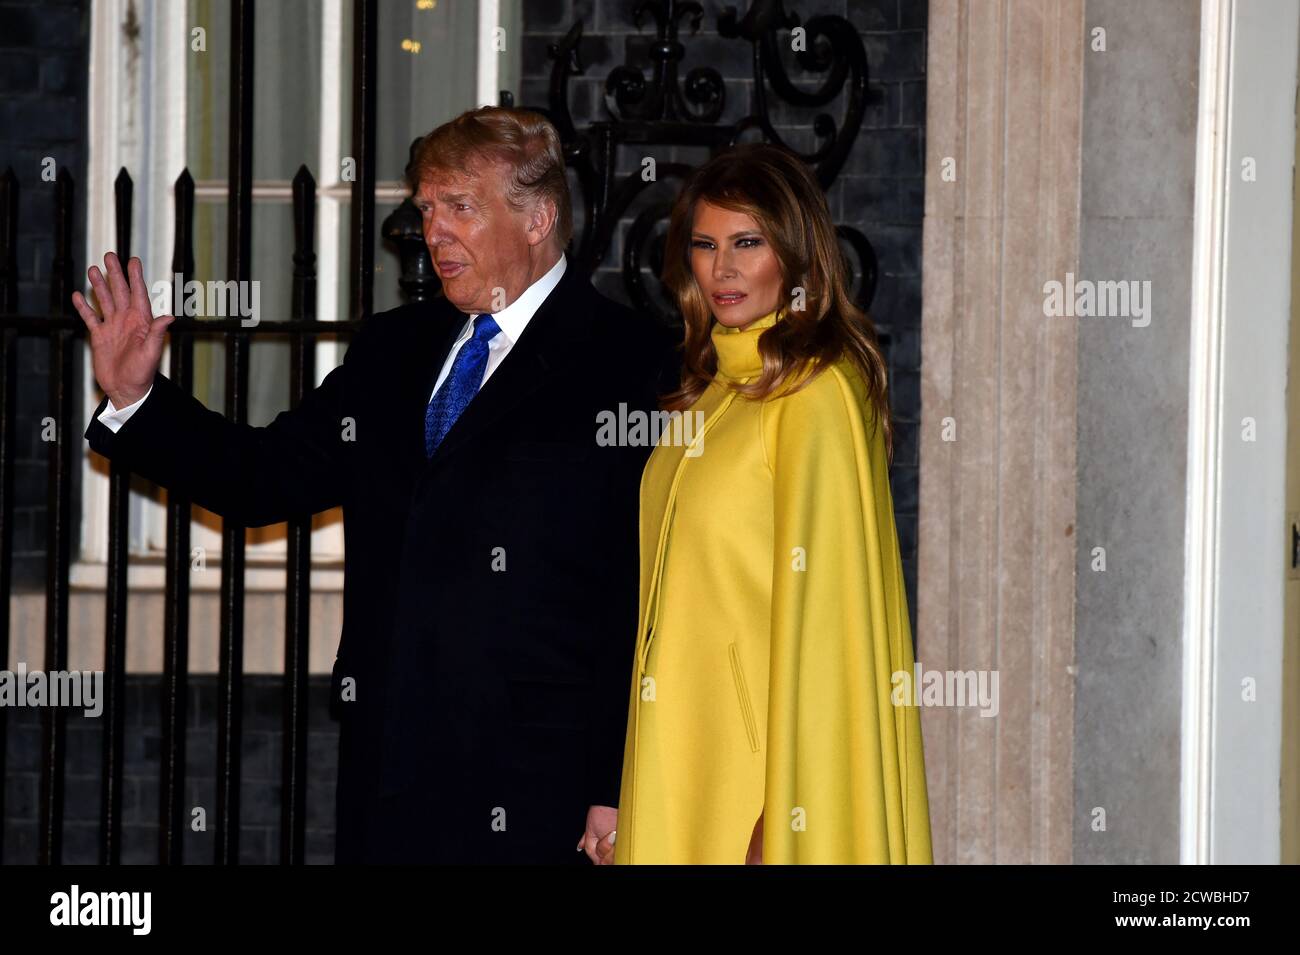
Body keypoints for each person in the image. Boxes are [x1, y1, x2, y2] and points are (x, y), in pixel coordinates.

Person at [75, 106, 670, 864]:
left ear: (537, 217)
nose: (436, 232)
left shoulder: (631, 362)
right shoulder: (395, 347)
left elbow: (642, 591)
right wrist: (138, 399)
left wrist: (612, 781)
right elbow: (265, 476)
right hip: (388, 771)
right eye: (427, 208)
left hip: (538, 789)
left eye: (461, 207)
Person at [605, 143, 933, 864]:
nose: (722, 268)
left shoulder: (814, 396)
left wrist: (782, 825)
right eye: (704, 244)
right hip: (681, 763)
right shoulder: (712, 389)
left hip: (755, 796)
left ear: (794, 253)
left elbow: (831, 636)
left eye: (747, 243)